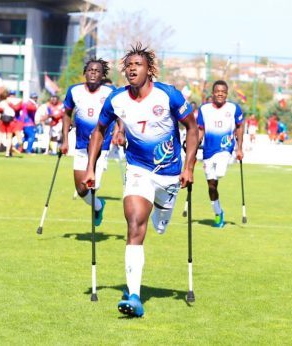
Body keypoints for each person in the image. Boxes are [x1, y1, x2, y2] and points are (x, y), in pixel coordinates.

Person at [83, 43, 198, 318]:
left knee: (160, 226)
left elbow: (192, 129)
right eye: (128, 65)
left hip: (170, 174)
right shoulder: (116, 99)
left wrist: (190, 166)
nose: (132, 69)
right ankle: (134, 295)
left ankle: (162, 212)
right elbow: (99, 131)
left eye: (138, 65)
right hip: (137, 169)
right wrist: (90, 167)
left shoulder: (168, 95)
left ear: (149, 70)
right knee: (134, 222)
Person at [61, 58, 114, 226]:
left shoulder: (110, 92)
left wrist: (120, 132)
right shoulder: (74, 91)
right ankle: (99, 206)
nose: (93, 72)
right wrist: (64, 140)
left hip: (102, 147)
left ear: (102, 75)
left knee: (92, 185)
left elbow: (119, 113)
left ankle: (96, 204)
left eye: (97, 71)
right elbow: (67, 114)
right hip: (81, 146)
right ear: (85, 72)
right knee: (81, 189)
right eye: (90, 70)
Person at [197, 80, 244, 228]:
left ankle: (218, 211)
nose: (220, 94)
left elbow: (239, 127)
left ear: (226, 93)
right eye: (217, 91)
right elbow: (200, 130)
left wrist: (240, 148)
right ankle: (218, 212)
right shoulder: (204, 109)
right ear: (213, 93)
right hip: (208, 151)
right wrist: (194, 146)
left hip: (225, 149)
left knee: (220, 172)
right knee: (211, 186)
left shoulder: (234, 108)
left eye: (223, 92)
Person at [0, 91, 17, 157]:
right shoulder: (14, 102)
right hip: (11, 120)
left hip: (3, 119)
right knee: (9, 137)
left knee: (0, 136)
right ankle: (7, 153)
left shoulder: (2, 102)